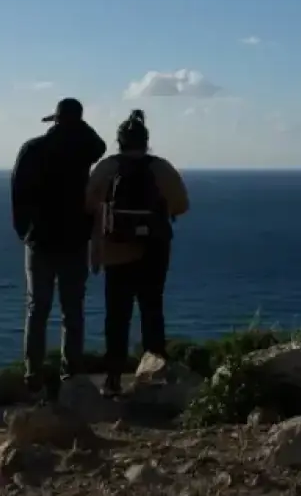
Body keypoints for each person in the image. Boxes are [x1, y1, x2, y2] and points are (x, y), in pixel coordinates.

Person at [85, 110, 190, 397]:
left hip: (116, 250)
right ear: (146, 141)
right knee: (152, 310)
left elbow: (89, 204)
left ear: (119, 141)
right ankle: (155, 375)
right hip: (154, 250)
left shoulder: (107, 168)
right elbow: (182, 205)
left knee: (117, 316)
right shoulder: (161, 168)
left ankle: (113, 378)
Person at [11, 97, 107, 390]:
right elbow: (100, 145)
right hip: (74, 239)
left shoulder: (33, 148)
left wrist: (23, 231)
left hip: (39, 239)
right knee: (72, 309)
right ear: (78, 122)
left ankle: (32, 373)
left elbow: (17, 191)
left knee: (37, 308)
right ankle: (72, 371)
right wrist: (78, 124)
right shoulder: (82, 150)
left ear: (55, 120)